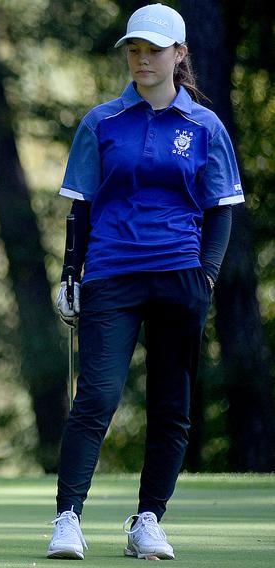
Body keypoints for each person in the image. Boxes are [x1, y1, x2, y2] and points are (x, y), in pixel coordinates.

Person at [48, 4, 243, 561]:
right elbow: (80, 206)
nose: (141, 59)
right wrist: (71, 275)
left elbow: (220, 209)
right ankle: (68, 519)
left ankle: (148, 520)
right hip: (111, 273)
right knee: (97, 399)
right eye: (134, 50)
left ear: (178, 54)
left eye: (153, 50)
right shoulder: (101, 122)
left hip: (180, 277)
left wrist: (205, 275)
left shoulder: (205, 127)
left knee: (170, 407)